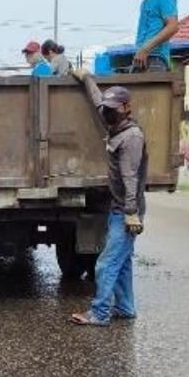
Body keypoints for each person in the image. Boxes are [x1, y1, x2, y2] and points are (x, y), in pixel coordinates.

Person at [71, 73, 146, 327]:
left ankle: (100, 313)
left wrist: (131, 212)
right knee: (122, 264)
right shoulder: (115, 126)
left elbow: (130, 177)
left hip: (126, 211)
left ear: (127, 107)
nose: (108, 112)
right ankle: (125, 308)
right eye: (107, 108)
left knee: (106, 263)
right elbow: (96, 101)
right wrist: (86, 79)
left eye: (114, 108)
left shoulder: (131, 136)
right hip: (119, 209)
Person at [132, 0, 179, 72]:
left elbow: (173, 27)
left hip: (156, 58)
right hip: (140, 58)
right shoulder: (144, 3)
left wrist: (146, 48)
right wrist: (141, 51)